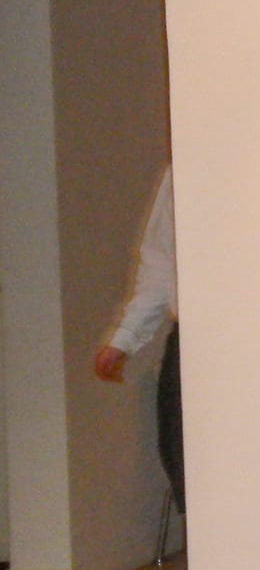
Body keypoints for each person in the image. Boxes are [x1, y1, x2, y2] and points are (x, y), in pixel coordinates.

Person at [93, 165, 183, 517]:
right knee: (183, 460)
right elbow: (161, 262)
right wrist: (126, 337)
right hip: (192, 341)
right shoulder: (182, 169)